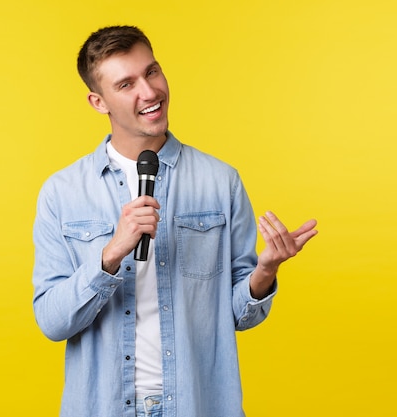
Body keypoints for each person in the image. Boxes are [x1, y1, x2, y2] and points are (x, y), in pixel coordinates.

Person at [32, 25, 318, 417]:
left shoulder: (220, 181)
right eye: (126, 84)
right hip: (103, 405)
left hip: (196, 403)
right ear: (98, 102)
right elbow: (51, 321)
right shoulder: (62, 193)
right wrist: (111, 253)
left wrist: (264, 272)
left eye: (152, 72)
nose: (149, 93)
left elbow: (236, 317)